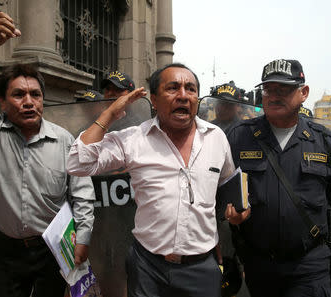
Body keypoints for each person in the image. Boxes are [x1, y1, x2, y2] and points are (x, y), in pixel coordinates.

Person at [0, 12, 95, 297]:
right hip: (7, 252)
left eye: (35, 95)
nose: (28, 102)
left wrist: (83, 237)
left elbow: (82, 193)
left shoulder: (63, 140)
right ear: (2, 101)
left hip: (53, 248)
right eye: (18, 95)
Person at [67, 63, 238, 297]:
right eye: (173, 88)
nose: (183, 95)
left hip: (202, 269)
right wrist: (109, 113)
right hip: (148, 268)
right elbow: (78, 162)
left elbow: (227, 184)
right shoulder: (134, 139)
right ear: (154, 100)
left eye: (190, 89)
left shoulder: (216, 137)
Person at [225, 59, 331, 297]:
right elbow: (220, 191)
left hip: (309, 265)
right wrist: (231, 214)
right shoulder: (239, 137)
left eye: (283, 89)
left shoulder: (322, 140)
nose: (273, 96)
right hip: (258, 263)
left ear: (303, 93)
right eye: (268, 90)